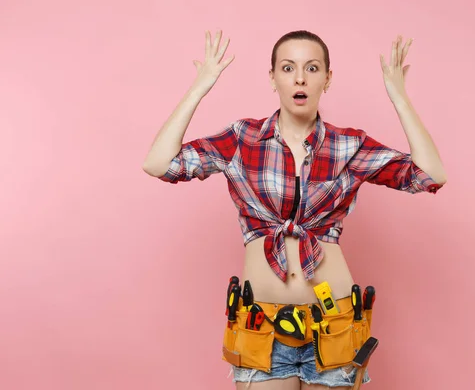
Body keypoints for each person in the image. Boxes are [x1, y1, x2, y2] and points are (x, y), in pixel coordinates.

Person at [142, 29, 447, 390]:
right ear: (273, 78)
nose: (300, 77)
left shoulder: (349, 145)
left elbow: (429, 175)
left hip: (333, 324)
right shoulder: (243, 139)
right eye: (287, 68)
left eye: (312, 68)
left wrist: (399, 99)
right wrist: (199, 88)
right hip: (262, 327)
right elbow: (160, 164)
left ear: (327, 79)